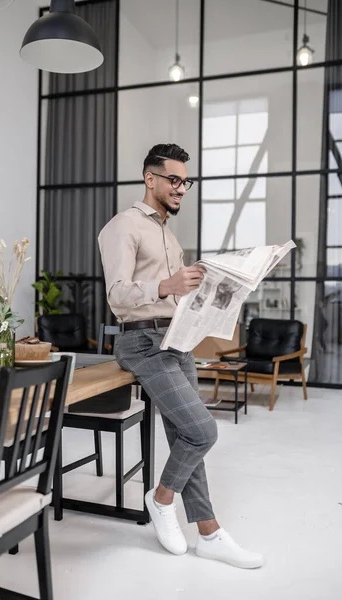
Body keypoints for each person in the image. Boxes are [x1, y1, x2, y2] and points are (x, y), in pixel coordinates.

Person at [98, 143, 264, 569]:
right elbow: (117, 296)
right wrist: (167, 286)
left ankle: (208, 532)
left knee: (184, 435)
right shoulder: (122, 227)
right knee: (203, 431)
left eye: (185, 181)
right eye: (174, 179)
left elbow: (176, 293)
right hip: (141, 343)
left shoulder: (168, 234)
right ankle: (161, 498)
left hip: (177, 338)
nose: (181, 188)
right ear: (149, 178)